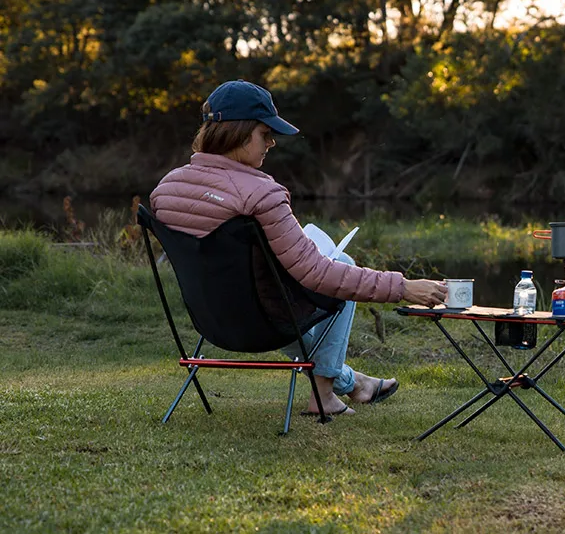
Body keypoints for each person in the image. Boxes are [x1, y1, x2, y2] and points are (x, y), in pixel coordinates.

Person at [150, 80, 447, 417]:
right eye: (265, 134)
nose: (272, 143)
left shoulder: (166, 189)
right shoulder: (262, 194)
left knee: (299, 284)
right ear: (240, 133)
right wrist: (404, 287)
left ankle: (352, 383)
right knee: (340, 265)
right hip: (264, 325)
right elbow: (319, 273)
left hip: (209, 321)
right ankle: (323, 396)